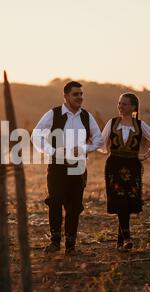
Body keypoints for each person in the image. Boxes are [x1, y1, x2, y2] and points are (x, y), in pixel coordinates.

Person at [31, 81, 103, 255]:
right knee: (55, 203)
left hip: (78, 166)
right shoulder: (53, 114)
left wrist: (85, 148)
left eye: (81, 94)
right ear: (66, 96)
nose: (79, 97)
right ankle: (55, 243)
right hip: (57, 167)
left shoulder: (86, 116)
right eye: (75, 94)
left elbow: (99, 140)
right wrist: (51, 150)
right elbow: (36, 134)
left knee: (74, 206)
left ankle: (71, 246)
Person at [100, 92, 150, 251]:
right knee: (120, 199)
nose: (120, 106)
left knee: (128, 201)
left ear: (133, 107)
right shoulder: (112, 122)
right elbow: (101, 143)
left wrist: (145, 156)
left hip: (132, 166)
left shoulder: (140, 125)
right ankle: (127, 238)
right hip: (114, 165)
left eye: (124, 104)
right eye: (119, 103)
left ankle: (120, 241)